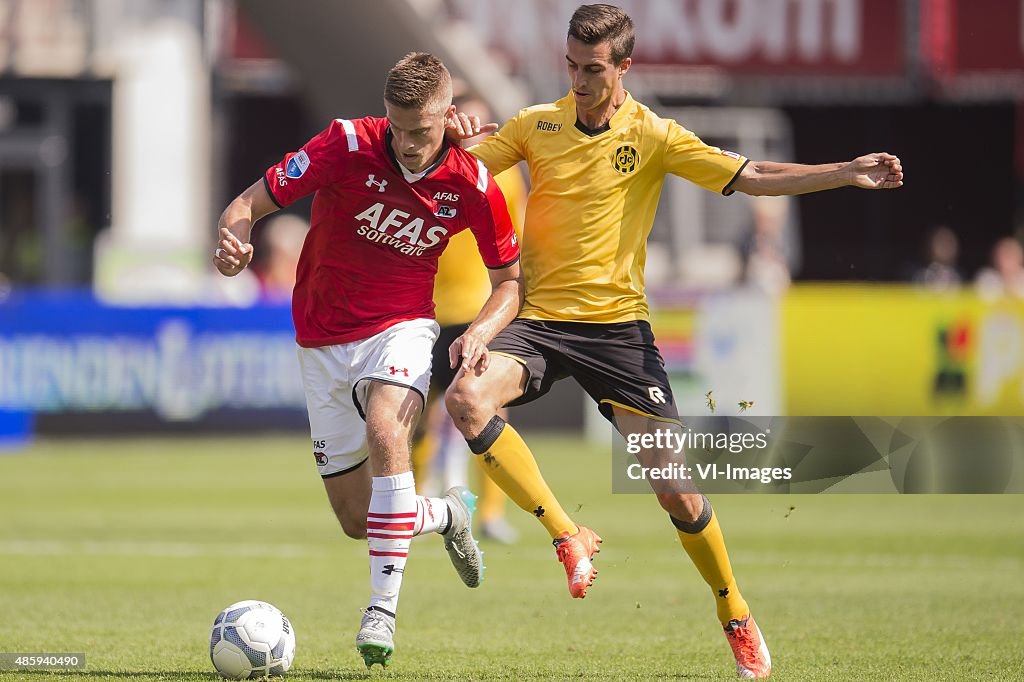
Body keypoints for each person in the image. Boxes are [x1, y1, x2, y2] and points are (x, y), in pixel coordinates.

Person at [444, 5, 903, 679]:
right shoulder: (533, 126)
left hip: (618, 334)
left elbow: (751, 175)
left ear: (625, 67)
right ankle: (569, 534)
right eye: (570, 64)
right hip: (540, 321)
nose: (577, 79)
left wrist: (844, 172)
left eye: (592, 69)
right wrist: (451, 143)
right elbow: (454, 182)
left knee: (677, 493)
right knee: (468, 399)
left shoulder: (654, 135)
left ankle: (734, 609)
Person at [213, 52, 522, 669]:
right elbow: (248, 202)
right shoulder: (345, 143)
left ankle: (381, 609)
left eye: (423, 131)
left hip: (403, 327)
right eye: (399, 129)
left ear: (447, 113)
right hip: (322, 340)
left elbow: (510, 281)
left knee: (389, 427)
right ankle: (443, 513)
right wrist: (232, 240)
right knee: (360, 520)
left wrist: (483, 331)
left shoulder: (474, 183)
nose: (409, 145)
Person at [411, 95, 526, 545]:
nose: (474, 131)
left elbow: (516, 242)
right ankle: (417, 502)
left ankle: (491, 515)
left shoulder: (506, 178)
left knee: (492, 411)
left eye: (481, 125)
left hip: (480, 312)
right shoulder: (429, 169)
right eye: (465, 122)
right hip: (426, 309)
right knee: (415, 414)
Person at [911, 225, 962, 292]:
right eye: (940, 242)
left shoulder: (961, 278)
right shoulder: (920, 277)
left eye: (949, 242)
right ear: (930, 246)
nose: (945, 247)